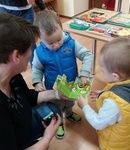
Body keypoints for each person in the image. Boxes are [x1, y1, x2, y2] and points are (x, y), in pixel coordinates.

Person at [0, 12, 73, 150]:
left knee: (53, 109)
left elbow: (29, 97)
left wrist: (57, 94)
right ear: (16, 56)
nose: (32, 52)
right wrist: (46, 139)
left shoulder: (12, 76)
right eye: (30, 48)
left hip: (22, 124)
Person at [77, 37, 130, 150]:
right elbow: (127, 93)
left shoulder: (114, 104)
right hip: (128, 140)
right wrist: (104, 93)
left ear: (115, 76)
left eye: (103, 69)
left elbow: (98, 122)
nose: (101, 71)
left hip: (113, 145)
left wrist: (84, 106)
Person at [32, 10, 93, 139]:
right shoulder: (39, 52)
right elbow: (36, 68)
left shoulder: (71, 43)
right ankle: (59, 121)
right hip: (53, 88)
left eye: (59, 39)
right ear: (40, 38)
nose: (56, 45)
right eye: (50, 43)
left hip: (71, 84)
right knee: (57, 106)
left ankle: (69, 113)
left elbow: (87, 55)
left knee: (70, 102)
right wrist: (37, 82)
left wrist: (84, 74)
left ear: (62, 28)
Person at [0, 0, 47, 66]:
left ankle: (35, 67)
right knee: (9, 45)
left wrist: (43, 8)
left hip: (27, 10)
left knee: (31, 41)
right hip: (7, 10)